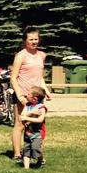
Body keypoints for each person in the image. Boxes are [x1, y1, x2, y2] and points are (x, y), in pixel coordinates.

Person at [10, 28, 51, 161]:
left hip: (37, 96)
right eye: (31, 39)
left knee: (36, 125)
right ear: (25, 41)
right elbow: (13, 77)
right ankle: (17, 154)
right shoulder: (21, 56)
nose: (34, 42)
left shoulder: (42, 55)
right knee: (20, 124)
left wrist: (46, 90)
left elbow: (40, 76)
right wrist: (20, 96)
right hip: (23, 94)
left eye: (36, 39)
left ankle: (35, 151)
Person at [21, 85, 47, 169]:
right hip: (27, 133)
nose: (26, 95)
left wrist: (26, 118)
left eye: (29, 94)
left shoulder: (41, 108)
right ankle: (26, 169)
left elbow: (40, 120)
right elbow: (22, 116)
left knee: (36, 149)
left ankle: (41, 160)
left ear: (35, 99)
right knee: (26, 150)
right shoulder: (27, 105)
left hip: (38, 134)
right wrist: (31, 112)